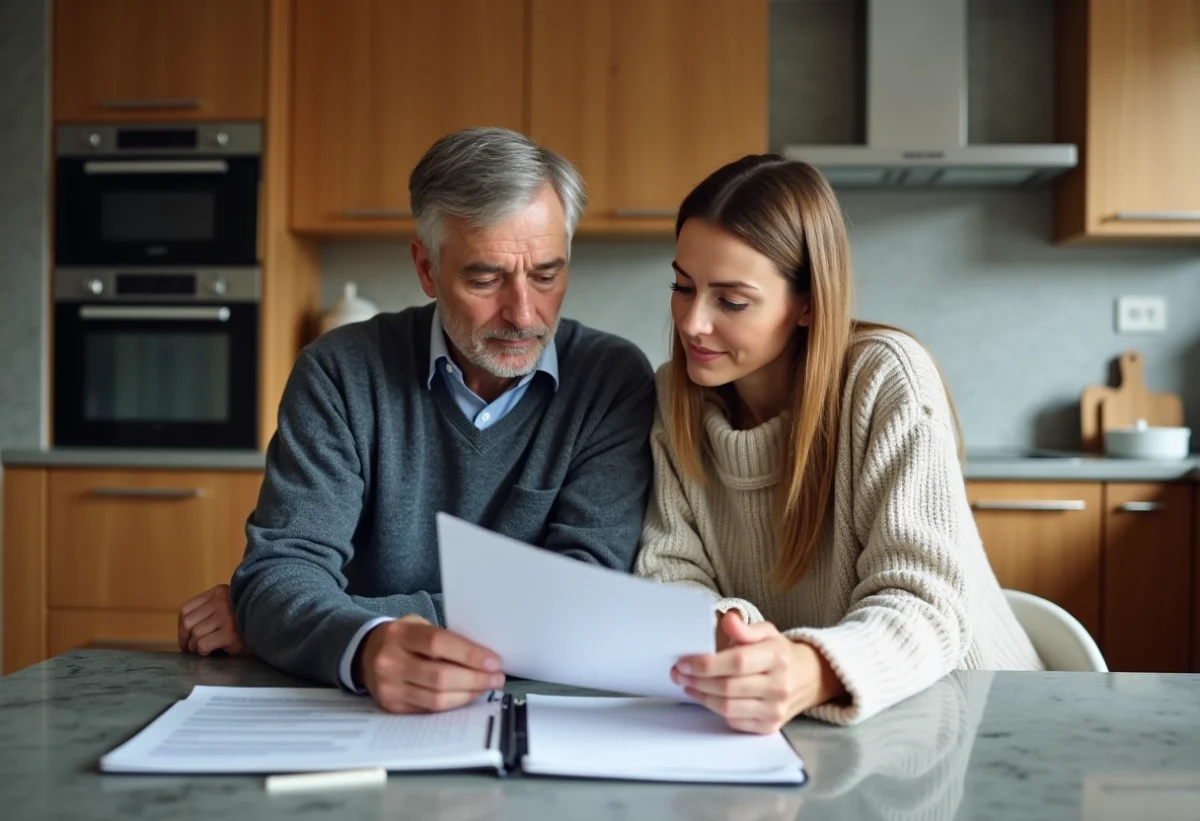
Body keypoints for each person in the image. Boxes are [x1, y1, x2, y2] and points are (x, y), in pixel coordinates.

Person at [177, 127, 656, 715]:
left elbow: (581, 596)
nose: (523, 313)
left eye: (546, 275)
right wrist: (364, 648)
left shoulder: (611, 381)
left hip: (544, 712)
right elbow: (282, 571)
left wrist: (329, 622)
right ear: (427, 269)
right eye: (485, 279)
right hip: (356, 708)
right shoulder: (339, 372)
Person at [637, 154, 1042, 733]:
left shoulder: (885, 378)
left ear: (806, 303)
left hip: (975, 718)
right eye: (682, 287)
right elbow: (669, 569)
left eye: (731, 300)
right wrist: (733, 635)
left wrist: (809, 666)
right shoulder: (672, 398)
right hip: (805, 728)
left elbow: (924, 601)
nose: (692, 322)